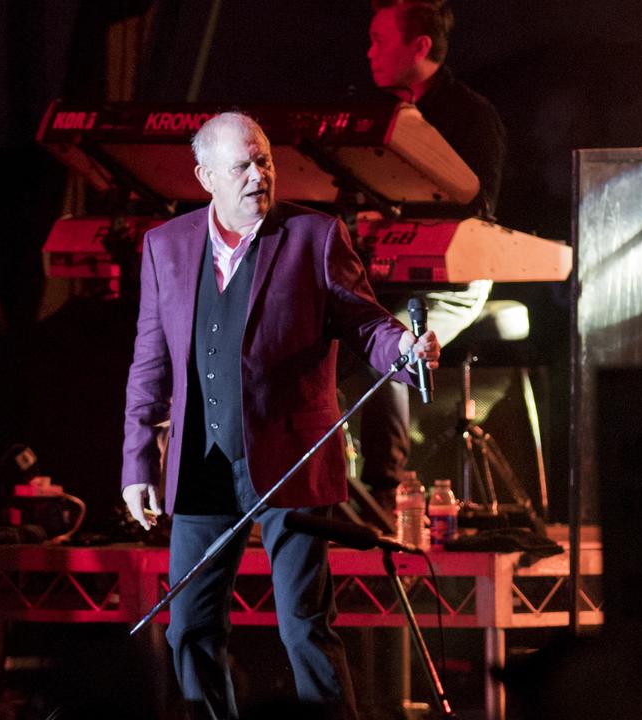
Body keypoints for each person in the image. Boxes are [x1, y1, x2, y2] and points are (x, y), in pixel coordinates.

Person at [120, 112, 440, 720]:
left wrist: (402, 349)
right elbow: (149, 359)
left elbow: (366, 323)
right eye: (241, 165)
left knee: (303, 626)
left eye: (264, 161)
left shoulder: (314, 237)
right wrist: (138, 461)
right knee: (189, 626)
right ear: (206, 175)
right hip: (204, 460)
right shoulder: (166, 246)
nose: (257, 175)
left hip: (290, 455)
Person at [350, 0, 507, 510]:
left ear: (419, 47)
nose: (369, 50)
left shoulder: (472, 115)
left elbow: (476, 213)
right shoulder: (376, 114)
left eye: (380, 39)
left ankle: (383, 492)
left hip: (453, 282)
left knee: (394, 346)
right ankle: (317, 493)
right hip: (385, 277)